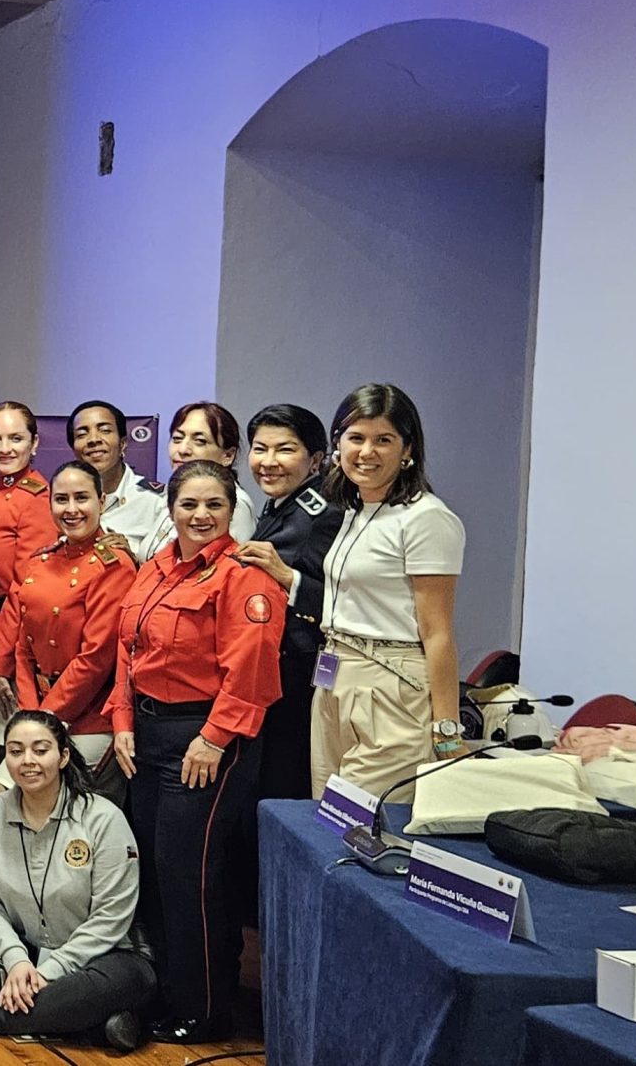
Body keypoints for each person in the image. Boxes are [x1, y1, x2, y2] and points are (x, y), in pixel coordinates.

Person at [106, 459, 284, 1043]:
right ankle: (167, 991)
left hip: (207, 739)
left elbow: (252, 671)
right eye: (189, 505)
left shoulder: (243, 577)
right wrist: (124, 722)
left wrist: (212, 739)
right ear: (171, 509)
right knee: (155, 868)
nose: (201, 515)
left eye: (214, 505)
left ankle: (205, 1009)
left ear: (232, 511)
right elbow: (128, 652)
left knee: (190, 874)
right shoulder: (156, 569)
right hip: (149, 735)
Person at [0, 710, 153, 1050]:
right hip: (28, 952)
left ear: (64, 756)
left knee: (121, 983)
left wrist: (47, 972)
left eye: (40, 750)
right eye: (15, 751)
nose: (28, 761)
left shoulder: (103, 818)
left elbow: (110, 919)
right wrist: (17, 961)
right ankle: (92, 1023)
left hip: (103, 959)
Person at [307, 383, 466, 799]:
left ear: (407, 449)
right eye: (355, 438)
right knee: (324, 824)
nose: (366, 452)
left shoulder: (426, 518)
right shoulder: (356, 511)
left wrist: (447, 733)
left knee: (359, 823)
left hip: (391, 683)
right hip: (335, 676)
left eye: (384, 440)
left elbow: (439, 634)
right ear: (337, 444)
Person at [0, 461, 133, 804]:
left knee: (61, 820)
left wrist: (46, 719)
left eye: (81, 498)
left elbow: (95, 659)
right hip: (37, 710)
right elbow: (24, 648)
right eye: (61, 499)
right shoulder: (40, 561)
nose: (71, 510)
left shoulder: (114, 566)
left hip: (88, 719)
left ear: (102, 500)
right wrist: (29, 713)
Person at [230, 404, 345, 802]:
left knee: (287, 785)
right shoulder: (282, 505)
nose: (269, 462)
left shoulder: (321, 514)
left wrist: (289, 578)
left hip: (301, 675)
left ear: (315, 459)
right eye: (260, 449)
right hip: (273, 673)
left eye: (285, 450)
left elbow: (342, 598)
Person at [0, 401, 60, 629]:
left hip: (8, 630)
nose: (4, 449)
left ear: (34, 443)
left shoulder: (38, 499)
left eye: (16, 438)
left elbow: (25, 588)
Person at [69, 401, 169, 564]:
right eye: (82, 434)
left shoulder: (156, 501)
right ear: (74, 449)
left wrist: (133, 560)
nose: (93, 439)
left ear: (123, 443)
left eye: (105, 430)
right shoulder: (63, 502)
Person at [166, 401, 255, 541]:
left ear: (228, 455)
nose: (182, 450)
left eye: (200, 441)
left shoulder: (236, 505)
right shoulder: (171, 493)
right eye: (177, 439)